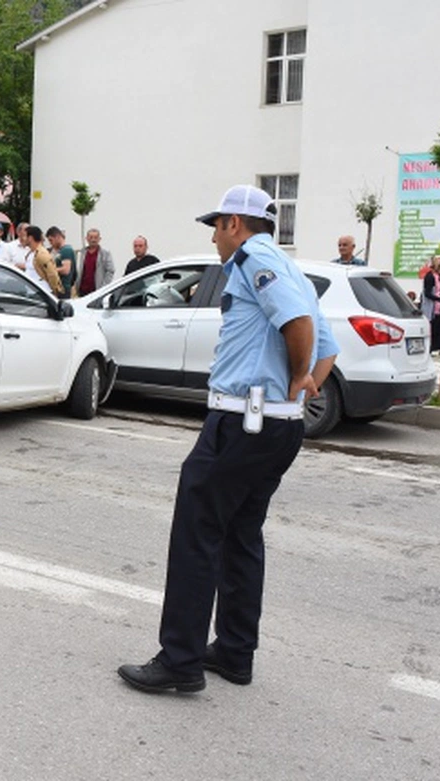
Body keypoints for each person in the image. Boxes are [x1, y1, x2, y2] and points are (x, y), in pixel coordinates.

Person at [117, 184, 338, 695]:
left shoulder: (255, 258)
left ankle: (180, 661)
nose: (215, 237)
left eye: (216, 226)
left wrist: (296, 376)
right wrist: (304, 386)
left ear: (234, 224)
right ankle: (235, 652)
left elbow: (301, 327)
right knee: (241, 535)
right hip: (273, 425)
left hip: (243, 422)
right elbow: (330, 344)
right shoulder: (291, 267)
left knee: (197, 534)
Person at [23, 225, 64, 296]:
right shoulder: (30, 253)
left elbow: (52, 274)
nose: (23, 239)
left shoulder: (42, 254)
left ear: (30, 238)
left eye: (25, 236)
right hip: (31, 293)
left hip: (41, 293)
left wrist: (55, 292)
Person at [421, 255, 440, 352]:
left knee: (437, 328)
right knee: (431, 328)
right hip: (430, 307)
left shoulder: (438, 278)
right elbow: (428, 293)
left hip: (438, 307)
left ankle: (435, 347)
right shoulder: (430, 277)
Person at [76, 228, 116, 296]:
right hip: (82, 291)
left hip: (97, 292)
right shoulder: (81, 253)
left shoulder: (105, 253)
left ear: (99, 239)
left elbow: (110, 271)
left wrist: (104, 288)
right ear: (87, 238)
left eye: (95, 237)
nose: (93, 240)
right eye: (91, 237)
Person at [45, 226, 77, 296]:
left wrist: (50, 270)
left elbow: (66, 270)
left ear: (58, 237)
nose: (50, 243)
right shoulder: (58, 251)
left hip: (63, 288)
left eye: (51, 240)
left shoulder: (66, 250)